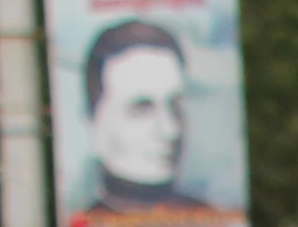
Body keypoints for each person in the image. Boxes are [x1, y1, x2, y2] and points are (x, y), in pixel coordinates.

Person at [77, 19, 214, 215]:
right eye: (142, 108)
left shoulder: (212, 221)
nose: (170, 130)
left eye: (175, 105)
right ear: (93, 125)